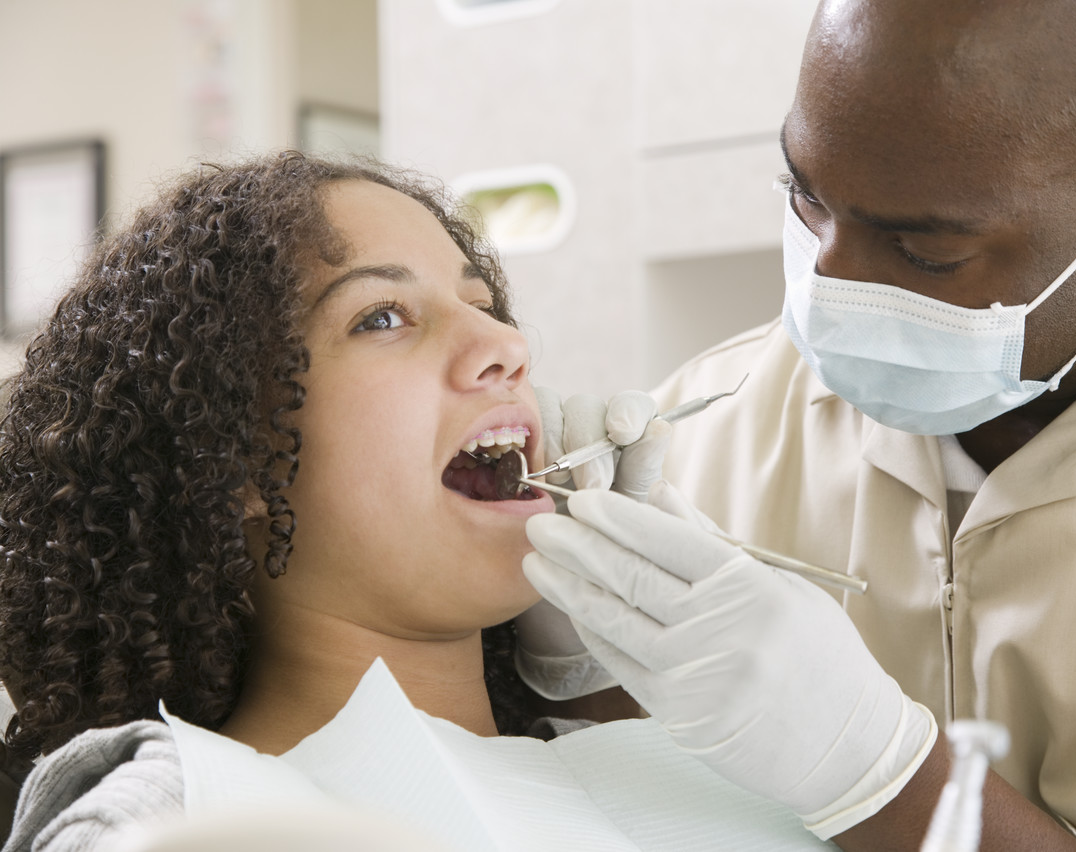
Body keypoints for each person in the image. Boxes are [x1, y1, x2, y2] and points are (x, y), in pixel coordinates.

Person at [519, 0, 1076, 850]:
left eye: (924, 253)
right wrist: (585, 670)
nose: (829, 286)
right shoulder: (716, 417)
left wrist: (882, 776)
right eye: (805, 199)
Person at [0, 152, 713, 851]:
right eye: (381, 317)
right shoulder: (172, 817)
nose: (505, 343)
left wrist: (605, 683)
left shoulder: (665, 768)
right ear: (235, 458)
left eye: (482, 304)